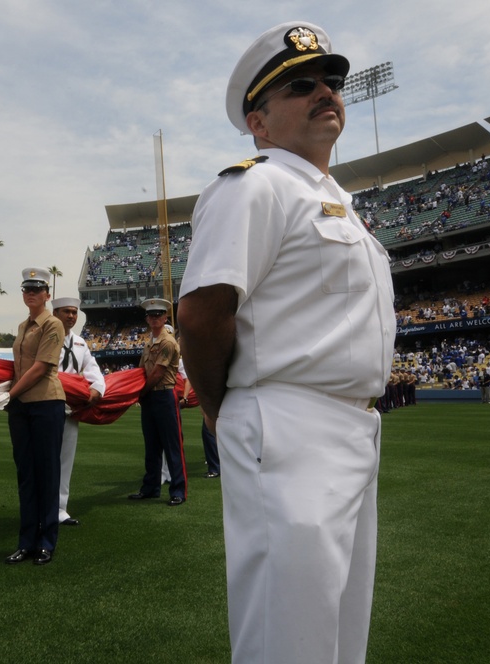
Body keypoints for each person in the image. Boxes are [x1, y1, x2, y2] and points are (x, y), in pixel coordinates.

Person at [177, 22, 395, 663]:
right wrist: (220, 408)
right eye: (302, 86)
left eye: (331, 81)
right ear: (259, 122)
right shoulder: (257, 183)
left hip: (354, 425)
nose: (325, 92)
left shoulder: (333, 200)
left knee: (338, 635)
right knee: (290, 637)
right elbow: (201, 313)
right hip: (287, 419)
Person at [5, 268, 66, 566]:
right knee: (26, 476)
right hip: (20, 407)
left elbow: (42, 367)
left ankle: (47, 542)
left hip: (45, 404)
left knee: (47, 474)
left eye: (37, 289)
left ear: (47, 294)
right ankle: (26, 541)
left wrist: (9, 395)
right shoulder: (21, 326)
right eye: (26, 289)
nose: (30, 293)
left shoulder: (53, 324)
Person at [51, 296, 105, 526]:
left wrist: (97, 391)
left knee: (65, 461)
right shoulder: (47, 339)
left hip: (71, 412)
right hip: (47, 405)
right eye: (66, 312)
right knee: (45, 460)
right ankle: (43, 508)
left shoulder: (81, 344)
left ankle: (60, 509)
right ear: (55, 314)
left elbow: (94, 372)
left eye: (74, 312)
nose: (71, 316)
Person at [128, 298, 187, 506]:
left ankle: (178, 490)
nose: (155, 318)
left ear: (165, 318)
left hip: (163, 394)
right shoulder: (148, 343)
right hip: (151, 397)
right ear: (147, 319)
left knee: (172, 446)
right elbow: (141, 371)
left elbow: (157, 373)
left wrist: (139, 393)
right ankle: (151, 488)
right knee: (151, 446)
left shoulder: (168, 342)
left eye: (159, 315)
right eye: (151, 315)